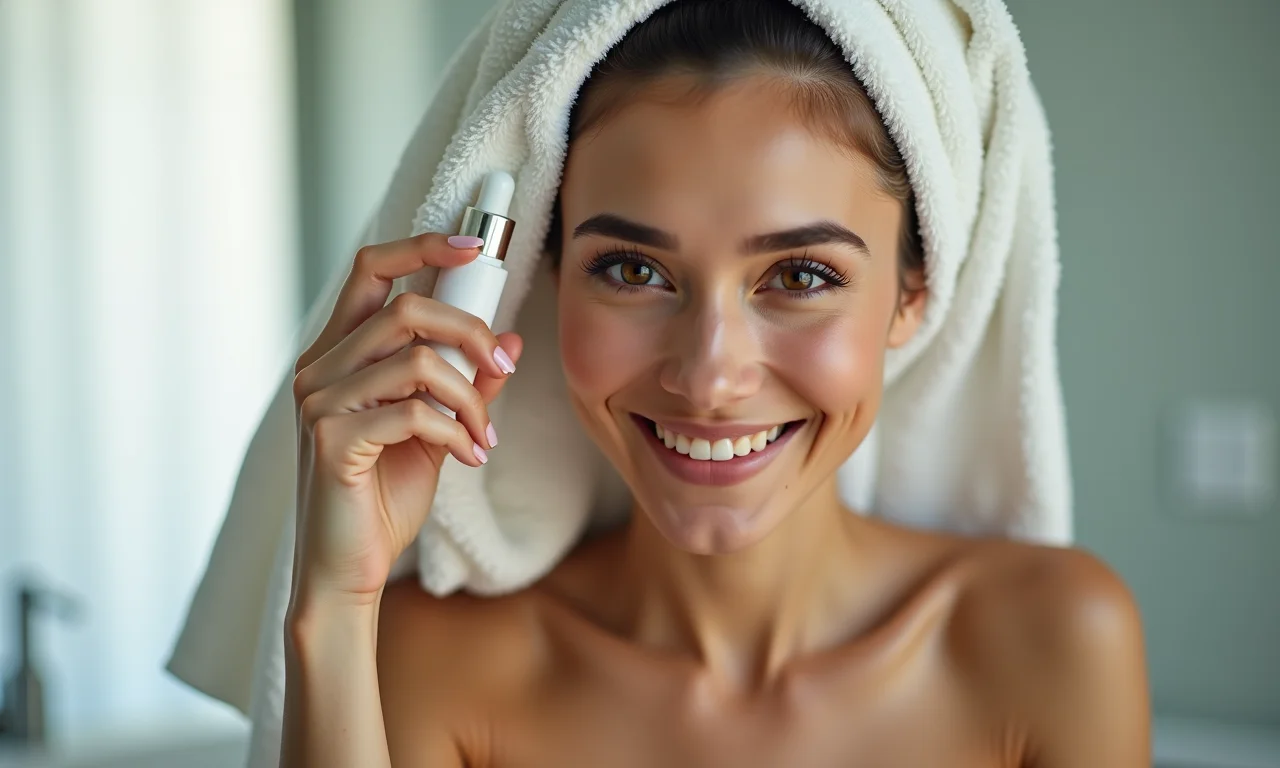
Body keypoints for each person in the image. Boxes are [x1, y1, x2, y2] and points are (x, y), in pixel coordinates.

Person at [281, 1, 1149, 765]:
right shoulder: (441, 665)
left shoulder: (1054, 645)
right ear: (545, 281)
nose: (709, 377)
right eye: (632, 270)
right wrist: (334, 603)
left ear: (910, 298)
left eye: (801, 276)